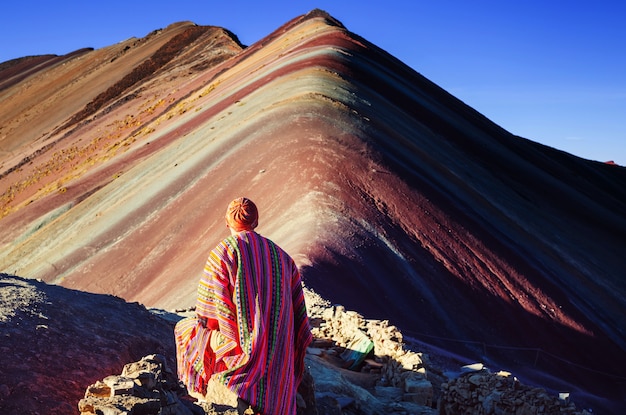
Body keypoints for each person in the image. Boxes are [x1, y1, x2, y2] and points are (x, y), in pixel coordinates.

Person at [174, 197, 312, 415]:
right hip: (279, 355)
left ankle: (203, 395)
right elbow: (299, 316)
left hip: (238, 350)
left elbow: (206, 315)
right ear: (256, 222)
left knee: (184, 330)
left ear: (226, 223)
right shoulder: (283, 257)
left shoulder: (222, 253)